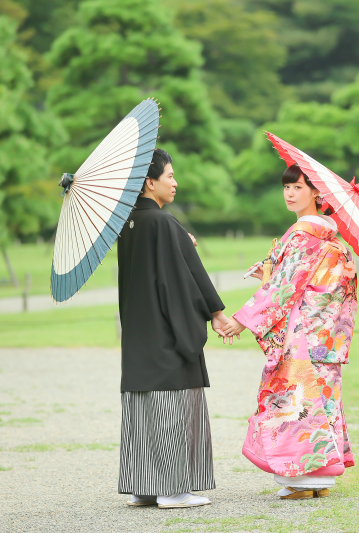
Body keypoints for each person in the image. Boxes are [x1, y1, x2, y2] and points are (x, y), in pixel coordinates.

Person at [222, 163, 357, 499]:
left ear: (316, 193)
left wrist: (241, 319)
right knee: (321, 400)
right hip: (325, 336)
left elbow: (283, 288)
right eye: (286, 187)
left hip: (302, 336)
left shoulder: (302, 235)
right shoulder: (332, 238)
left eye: (297, 187)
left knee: (296, 403)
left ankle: (301, 480)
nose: (290, 194)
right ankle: (320, 481)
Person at [117, 148, 232, 509]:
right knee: (171, 407)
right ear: (150, 182)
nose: (175, 182)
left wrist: (182, 243)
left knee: (143, 410)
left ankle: (144, 485)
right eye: (170, 176)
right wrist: (214, 313)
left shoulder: (128, 224)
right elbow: (179, 281)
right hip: (166, 333)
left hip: (138, 333)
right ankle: (172, 490)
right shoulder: (164, 224)